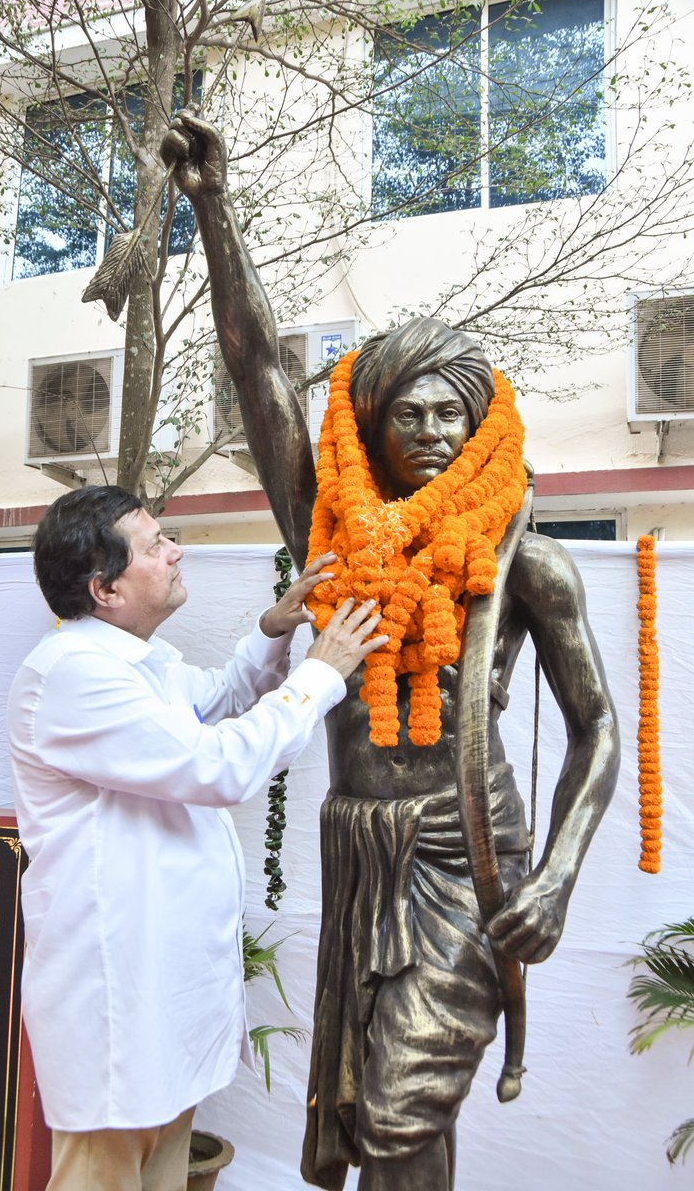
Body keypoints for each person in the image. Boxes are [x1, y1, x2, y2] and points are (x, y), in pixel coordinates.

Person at [161, 112, 621, 1191]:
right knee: (377, 1107)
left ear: (478, 431)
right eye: (403, 413)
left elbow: (597, 727)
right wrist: (214, 210)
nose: (426, 427)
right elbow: (254, 373)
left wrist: (555, 877)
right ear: (368, 433)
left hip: (469, 851)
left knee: (405, 1106)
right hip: (358, 844)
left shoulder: (528, 567)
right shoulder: (329, 537)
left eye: (447, 413)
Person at [6, 484, 387, 1191]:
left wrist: (274, 631)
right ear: (106, 589)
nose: (175, 551)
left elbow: (213, 696)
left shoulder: (134, 662)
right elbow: (219, 765)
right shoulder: (73, 676)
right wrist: (319, 675)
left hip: (160, 1000)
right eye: (155, 545)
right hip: (118, 1003)